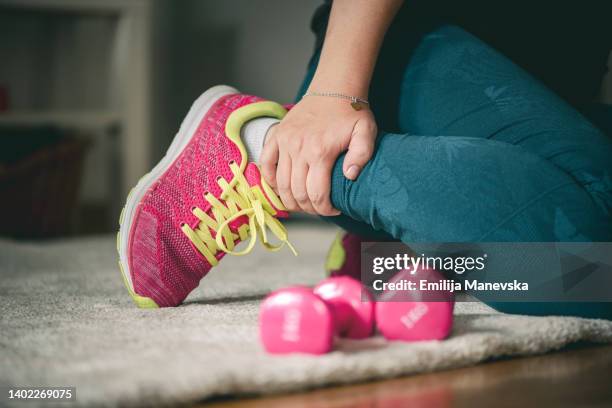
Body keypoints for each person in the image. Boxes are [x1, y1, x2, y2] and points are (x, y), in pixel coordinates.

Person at [117, 0, 612, 319]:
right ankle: (262, 152)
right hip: (413, 52)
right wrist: (337, 92)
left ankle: (394, 249)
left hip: (542, 94)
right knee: (590, 266)